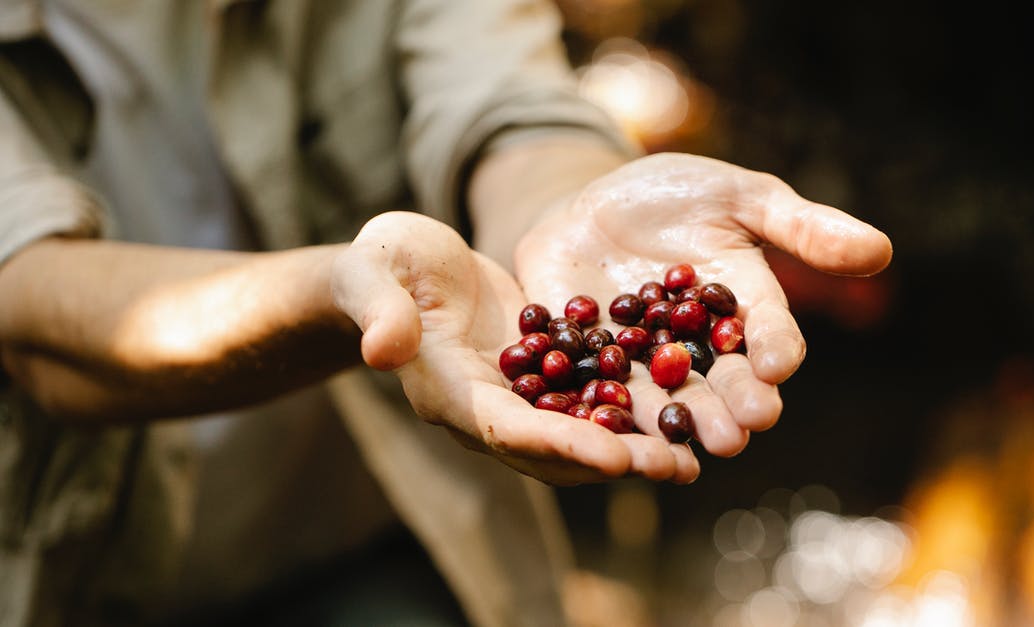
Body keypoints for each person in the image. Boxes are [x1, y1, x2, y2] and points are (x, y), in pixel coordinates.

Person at [0, 0, 892, 624]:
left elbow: (510, 109)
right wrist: (344, 289)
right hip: (72, 582)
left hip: (371, 537)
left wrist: (569, 208)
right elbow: (39, 315)